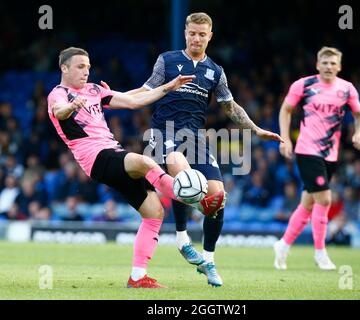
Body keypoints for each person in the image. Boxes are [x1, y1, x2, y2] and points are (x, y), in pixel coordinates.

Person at [104, 12, 283, 286]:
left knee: (218, 196)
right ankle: (181, 237)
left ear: (210, 36)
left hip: (196, 139)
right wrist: (113, 97)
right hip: (163, 133)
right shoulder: (168, 60)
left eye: (202, 34)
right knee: (181, 171)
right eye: (192, 33)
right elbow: (145, 89)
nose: (196, 38)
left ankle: (208, 260)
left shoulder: (215, 71)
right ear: (186, 33)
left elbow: (230, 107)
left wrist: (256, 129)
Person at [47, 47, 221, 289]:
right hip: (94, 156)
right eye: (79, 66)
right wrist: (72, 106)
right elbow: (59, 111)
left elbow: (133, 100)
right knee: (144, 161)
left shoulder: (95, 90)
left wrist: (168, 87)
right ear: (64, 68)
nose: (86, 71)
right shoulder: (59, 94)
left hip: (111, 152)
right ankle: (198, 202)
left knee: (154, 212)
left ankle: (138, 277)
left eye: (88, 66)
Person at [274, 46, 360, 270]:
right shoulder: (303, 85)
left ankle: (283, 245)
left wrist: (359, 132)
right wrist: (285, 138)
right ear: (317, 65)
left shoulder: (347, 89)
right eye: (325, 63)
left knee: (308, 203)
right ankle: (320, 252)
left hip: (331, 154)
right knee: (325, 199)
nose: (329, 66)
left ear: (339, 66)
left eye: (333, 63)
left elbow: (359, 115)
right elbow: (285, 110)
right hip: (307, 150)